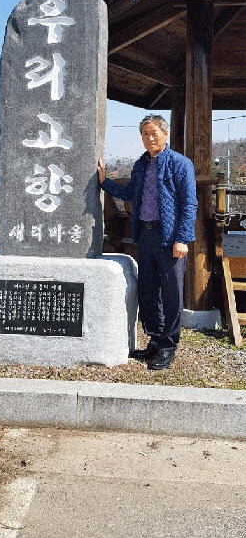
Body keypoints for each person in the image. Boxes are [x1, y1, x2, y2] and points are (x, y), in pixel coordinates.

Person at [98, 115, 197, 371]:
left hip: (170, 237)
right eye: (144, 134)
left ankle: (168, 346)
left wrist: (182, 238)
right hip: (145, 234)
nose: (149, 138)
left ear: (164, 134)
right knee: (149, 289)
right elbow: (132, 193)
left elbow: (189, 204)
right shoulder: (141, 164)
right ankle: (155, 339)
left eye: (154, 133)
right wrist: (104, 182)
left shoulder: (180, 164)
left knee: (172, 292)